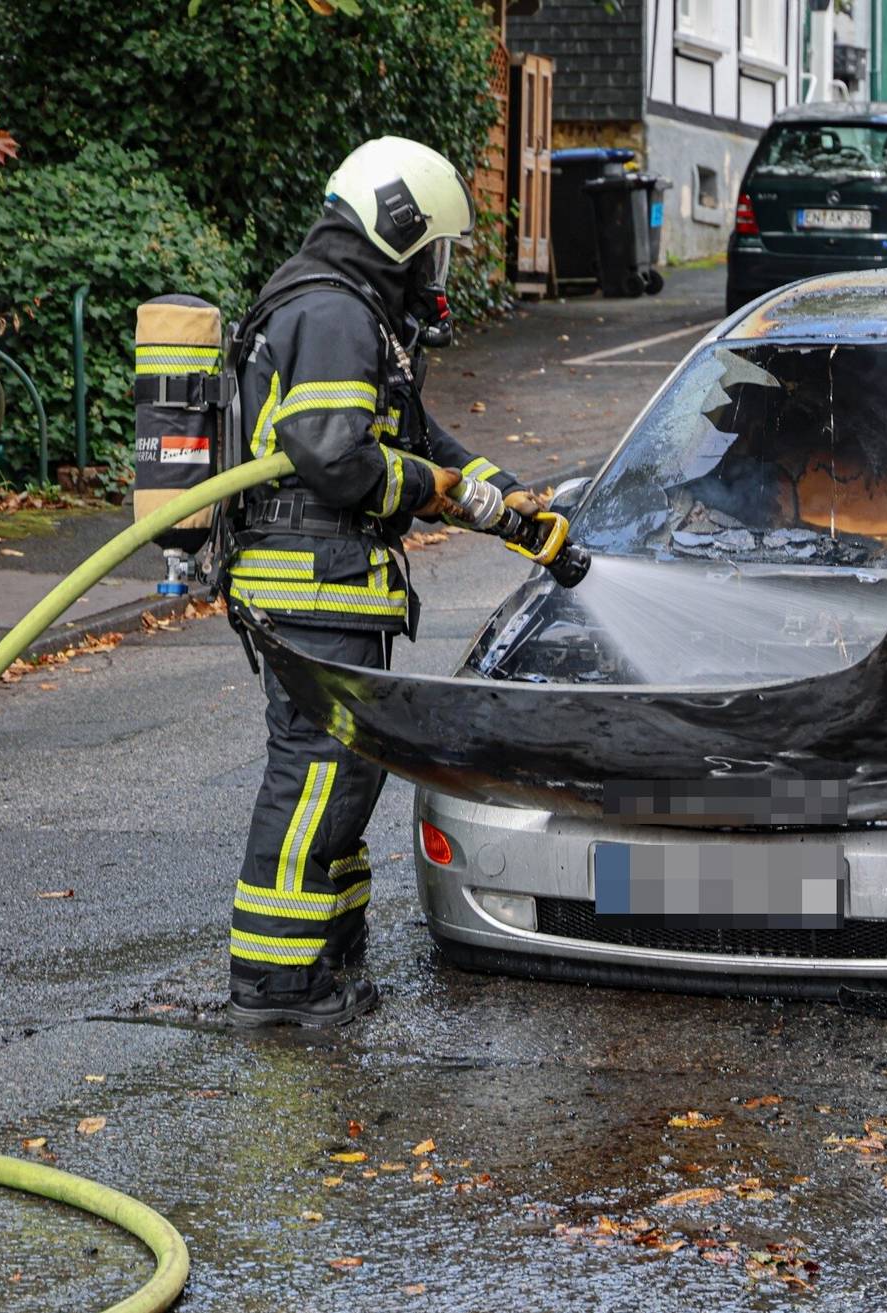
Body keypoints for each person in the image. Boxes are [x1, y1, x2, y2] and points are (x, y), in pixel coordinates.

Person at [223, 137, 541, 1027]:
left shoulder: (350, 309)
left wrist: (508, 499)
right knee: (317, 775)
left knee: (346, 774)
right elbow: (337, 456)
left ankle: (329, 952)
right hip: (311, 579)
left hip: (329, 582)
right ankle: (278, 985)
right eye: (432, 247)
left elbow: (414, 433)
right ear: (398, 228)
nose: (436, 270)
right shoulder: (332, 312)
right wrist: (436, 490)